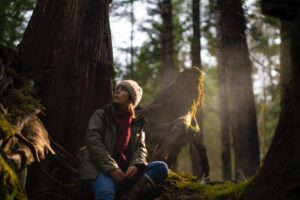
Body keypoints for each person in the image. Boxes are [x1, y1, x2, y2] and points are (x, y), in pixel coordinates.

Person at [79, 80, 168, 200]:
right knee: (106, 195)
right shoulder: (102, 115)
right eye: (117, 88)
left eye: (123, 89)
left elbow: (140, 148)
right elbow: (93, 141)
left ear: (131, 99)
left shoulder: (136, 124)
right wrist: (112, 168)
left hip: (125, 173)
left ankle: (129, 196)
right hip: (100, 169)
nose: (117, 90)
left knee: (161, 167)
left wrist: (136, 164)